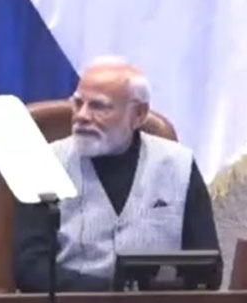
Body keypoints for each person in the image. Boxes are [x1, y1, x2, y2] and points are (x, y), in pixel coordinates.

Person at [14, 58, 220, 291]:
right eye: (78, 104)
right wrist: (109, 293)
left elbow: (207, 266)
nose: (81, 116)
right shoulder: (44, 163)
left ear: (139, 114)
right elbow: (29, 269)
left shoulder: (178, 165)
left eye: (98, 107)